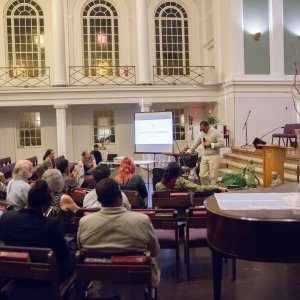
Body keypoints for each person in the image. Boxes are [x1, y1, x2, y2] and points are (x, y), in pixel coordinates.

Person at [77, 178, 160, 300]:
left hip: (101, 288)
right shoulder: (142, 221)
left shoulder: (85, 222)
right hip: (135, 287)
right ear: (120, 196)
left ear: (99, 200)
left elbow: (81, 249)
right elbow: (154, 251)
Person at [0, 179, 75, 299]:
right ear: (46, 206)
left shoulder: (6, 217)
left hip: (16, 272)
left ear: (28, 199)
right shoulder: (50, 226)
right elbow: (63, 255)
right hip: (47, 277)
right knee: (74, 255)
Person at [185, 120, 224, 185]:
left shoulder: (215, 132)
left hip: (214, 156)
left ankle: (213, 191)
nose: (202, 130)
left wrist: (211, 144)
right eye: (201, 129)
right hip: (205, 156)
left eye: (203, 129)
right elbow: (196, 143)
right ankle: (207, 189)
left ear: (208, 126)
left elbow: (222, 144)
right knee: (202, 175)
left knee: (213, 176)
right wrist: (189, 151)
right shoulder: (201, 133)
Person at [155, 162, 227, 193]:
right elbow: (199, 188)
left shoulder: (158, 185)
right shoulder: (181, 181)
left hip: (165, 211)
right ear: (178, 171)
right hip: (182, 210)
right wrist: (217, 188)